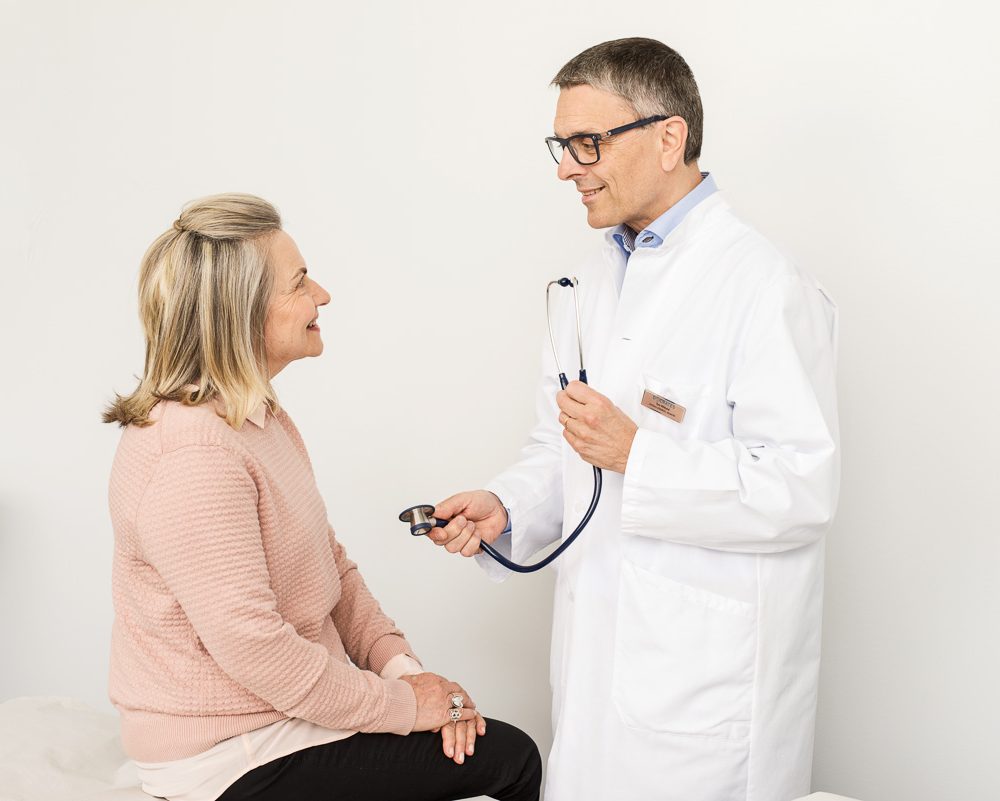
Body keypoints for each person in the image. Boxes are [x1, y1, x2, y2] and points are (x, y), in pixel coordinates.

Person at [426, 38, 840, 801]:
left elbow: (800, 488)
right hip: (598, 676)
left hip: (706, 696)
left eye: (587, 143)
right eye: (561, 145)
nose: (566, 168)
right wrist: (507, 505)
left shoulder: (764, 285)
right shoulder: (585, 284)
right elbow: (562, 449)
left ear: (669, 137)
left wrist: (637, 455)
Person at [103, 193, 541, 801]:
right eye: (300, 282)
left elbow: (330, 569)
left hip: (280, 721)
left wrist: (409, 675)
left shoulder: (257, 418)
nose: (323, 295)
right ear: (241, 312)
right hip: (229, 755)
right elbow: (257, 649)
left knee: (486, 745)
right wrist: (404, 707)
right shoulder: (193, 455)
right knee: (511, 760)